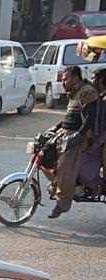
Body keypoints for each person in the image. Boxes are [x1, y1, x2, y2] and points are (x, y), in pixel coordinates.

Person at [49, 65, 100, 218]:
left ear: (76, 78)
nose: (63, 83)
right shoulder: (73, 93)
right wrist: (55, 127)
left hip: (79, 136)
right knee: (45, 154)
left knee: (65, 167)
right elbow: (70, 116)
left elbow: (90, 119)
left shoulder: (87, 92)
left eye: (66, 79)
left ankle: (62, 203)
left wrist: (78, 136)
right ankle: (63, 185)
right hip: (65, 133)